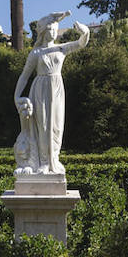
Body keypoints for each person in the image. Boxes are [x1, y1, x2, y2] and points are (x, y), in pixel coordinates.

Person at [13, 11, 89, 174]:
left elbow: (81, 43)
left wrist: (85, 32)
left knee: (56, 127)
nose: (53, 33)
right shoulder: (36, 53)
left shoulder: (61, 48)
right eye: (50, 30)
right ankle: (44, 163)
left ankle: (54, 160)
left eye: (55, 29)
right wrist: (17, 96)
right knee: (44, 126)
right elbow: (24, 76)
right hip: (40, 90)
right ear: (43, 32)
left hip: (57, 90)